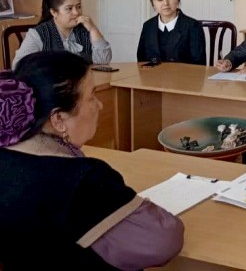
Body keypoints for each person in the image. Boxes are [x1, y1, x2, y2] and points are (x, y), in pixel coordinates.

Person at [0, 51, 184, 269]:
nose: (100, 105)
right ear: (59, 119)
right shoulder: (82, 179)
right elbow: (162, 242)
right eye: (92, 96)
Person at [12, 0, 112, 69]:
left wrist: (93, 29)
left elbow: (103, 61)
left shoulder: (85, 29)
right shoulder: (38, 33)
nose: (76, 12)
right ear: (54, 12)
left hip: (83, 82)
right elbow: (18, 65)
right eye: (69, 8)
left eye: (78, 7)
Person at [137, 0, 205, 65]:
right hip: (153, 74)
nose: (165, 3)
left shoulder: (193, 26)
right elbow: (141, 61)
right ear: (153, 4)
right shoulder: (148, 26)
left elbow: (199, 66)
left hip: (183, 74)